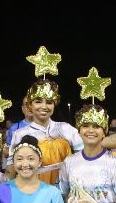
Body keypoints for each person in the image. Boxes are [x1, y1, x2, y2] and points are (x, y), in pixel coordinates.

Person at [5, 47, 83, 182]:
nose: (44, 107)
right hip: (32, 191)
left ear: (55, 104)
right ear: (30, 105)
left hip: (64, 189)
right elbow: (11, 169)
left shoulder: (65, 128)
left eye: (49, 102)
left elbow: (83, 156)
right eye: (38, 101)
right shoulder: (20, 134)